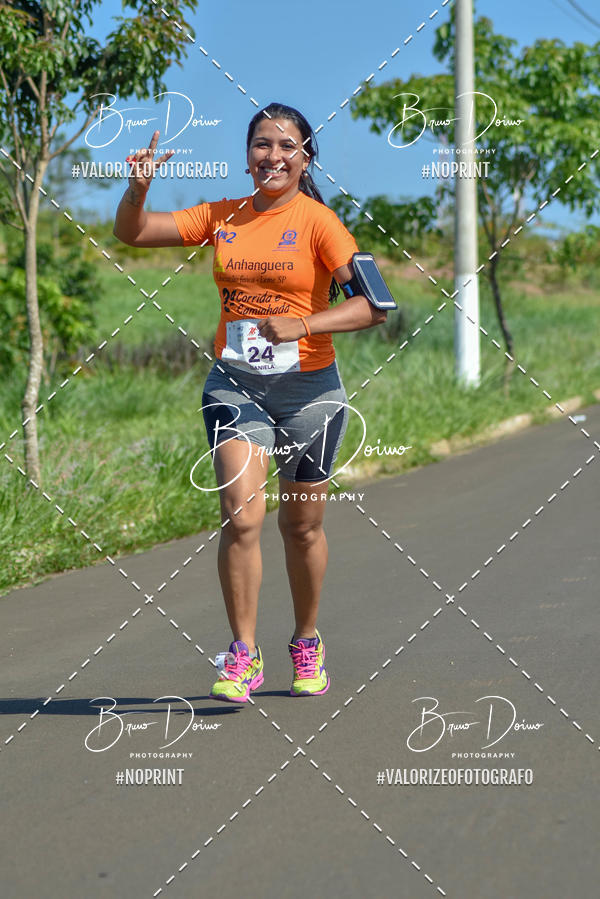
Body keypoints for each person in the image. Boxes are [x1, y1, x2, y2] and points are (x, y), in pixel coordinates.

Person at [113, 102, 387, 703]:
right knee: (241, 517)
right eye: (262, 144)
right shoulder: (222, 215)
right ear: (247, 154)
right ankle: (243, 652)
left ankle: (306, 640)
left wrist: (305, 323)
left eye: (287, 146)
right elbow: (132, 234)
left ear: (305, 157)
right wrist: (136, 191)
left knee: (303, 526)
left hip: (311, 393)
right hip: (235, 387)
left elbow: (374, 306)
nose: (273, 156)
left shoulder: (321, 223)